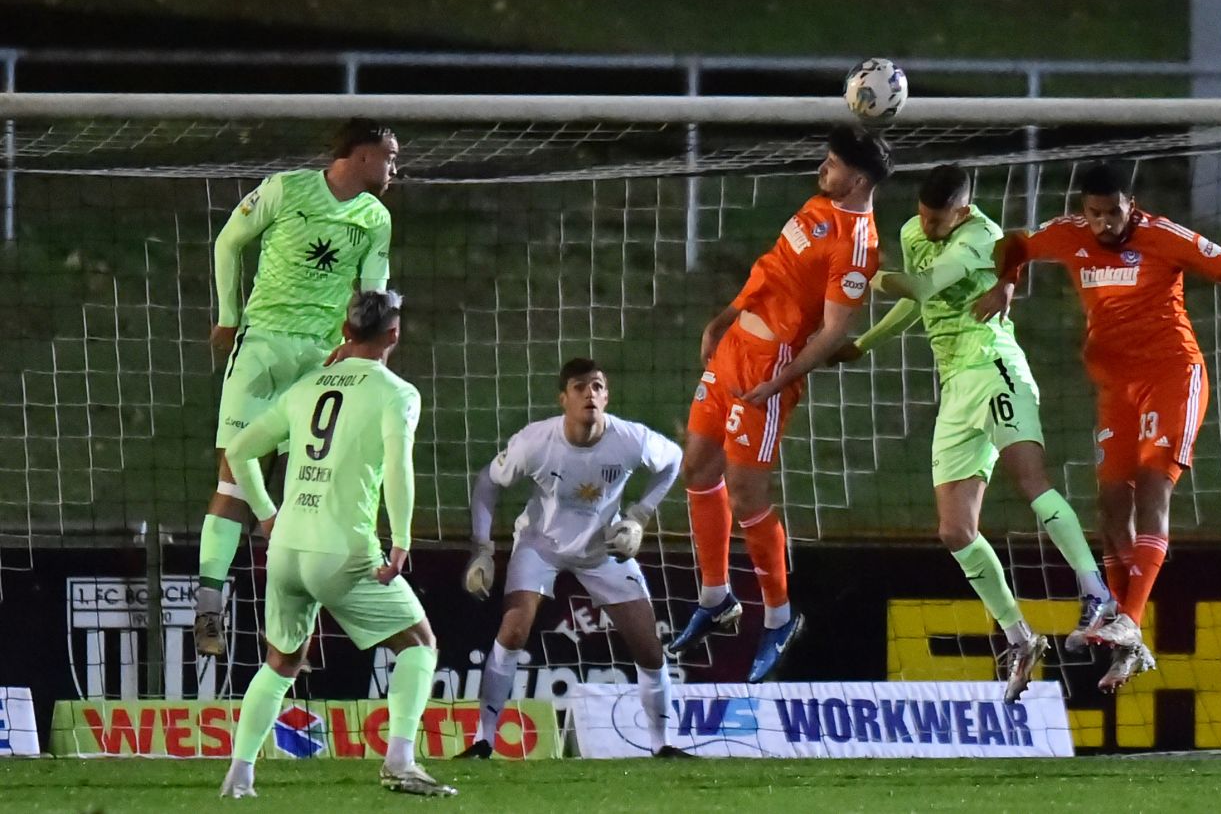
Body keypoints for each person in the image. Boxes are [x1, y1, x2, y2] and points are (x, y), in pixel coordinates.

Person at [976, 163, 1221, 692]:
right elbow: (1014, 245)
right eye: (1094, 213)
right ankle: (1128, 636)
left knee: (1152, 489)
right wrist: (1008, 282)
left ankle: (1128, 619)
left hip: (1173, 376)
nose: (1103, 224)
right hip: (1116, 390)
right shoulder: (1072, 235)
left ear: (1132, 204)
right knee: (1109, 508)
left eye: (1113, 212)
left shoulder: (1163, 237)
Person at [829, 165, 1116, 703]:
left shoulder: (980, 237)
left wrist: (861, 271)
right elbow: (916, 303)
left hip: (994, 365)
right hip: (956, 386)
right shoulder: (917, 232)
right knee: (955, 529)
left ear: (961, 212)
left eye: (939, 220)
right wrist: (864, 344)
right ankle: (1020, 637)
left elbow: (921, 283)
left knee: (1031, 483)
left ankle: (1097, 592)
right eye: (922, 215)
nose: (927, 227)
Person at [668, 125, 892, 682]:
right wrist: (723, 319)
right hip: (734, 350)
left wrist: (778, 381)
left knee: (747, 494)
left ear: (858, 179)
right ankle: (716, 596)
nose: (824, 166)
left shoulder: (859, 246)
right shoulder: (816, 204)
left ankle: (778, 615)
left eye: (834, 162)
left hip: (768, 369)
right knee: (697, 466)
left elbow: (834, 332)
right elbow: (770, 271)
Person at [218, 290, 453, 798]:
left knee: (281, 661)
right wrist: (402, 538)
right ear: (393, 334)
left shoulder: (306, 388)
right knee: (419, 645)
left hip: (285, 550)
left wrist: (266, 514)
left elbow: (239, 450)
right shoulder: (397, 392)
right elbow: (398, 466)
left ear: (346, 332)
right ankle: (400, 760)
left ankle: (239, 775)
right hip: (341, 550)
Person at [196, 118, 400, 658]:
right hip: (262, 346)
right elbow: (228, 241)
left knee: (309, 484)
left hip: (320, 358)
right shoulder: (287, 188)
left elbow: (374, 293)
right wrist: (228, 315)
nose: (394, 168)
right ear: (360, 155)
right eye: (389, 156)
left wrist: (360, 345)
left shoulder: (375, 218)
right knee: (235, 475)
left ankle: (288, 633)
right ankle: (208, 609)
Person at [455, 358, 689, 759]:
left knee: (650, 648)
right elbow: (487, 483)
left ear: (607, 396)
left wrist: (639, 515)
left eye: (597, 387)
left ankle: (662, 745)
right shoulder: (535, 442)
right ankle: (483, 740)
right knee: (513, 632)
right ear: (564, 398)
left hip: (602, 548)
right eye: (580, 388)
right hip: (540, 544)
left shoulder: (630, 439)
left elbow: (674, 462)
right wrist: (483, 549)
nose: (590, 395)